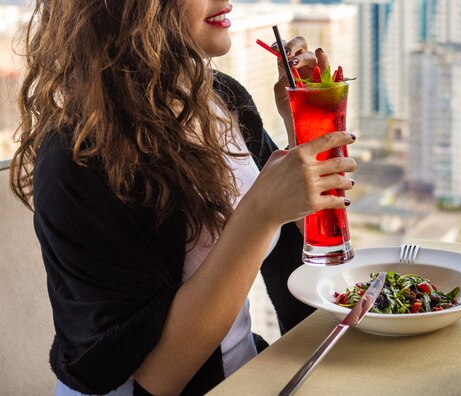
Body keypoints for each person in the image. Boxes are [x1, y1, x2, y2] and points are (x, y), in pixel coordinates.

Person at [9, 1, 356, 395]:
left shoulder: (223, 99)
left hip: (242, 377)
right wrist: (259, 214)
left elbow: (297, 259)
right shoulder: (77, 157)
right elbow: (158, 377)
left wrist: (305, 135)